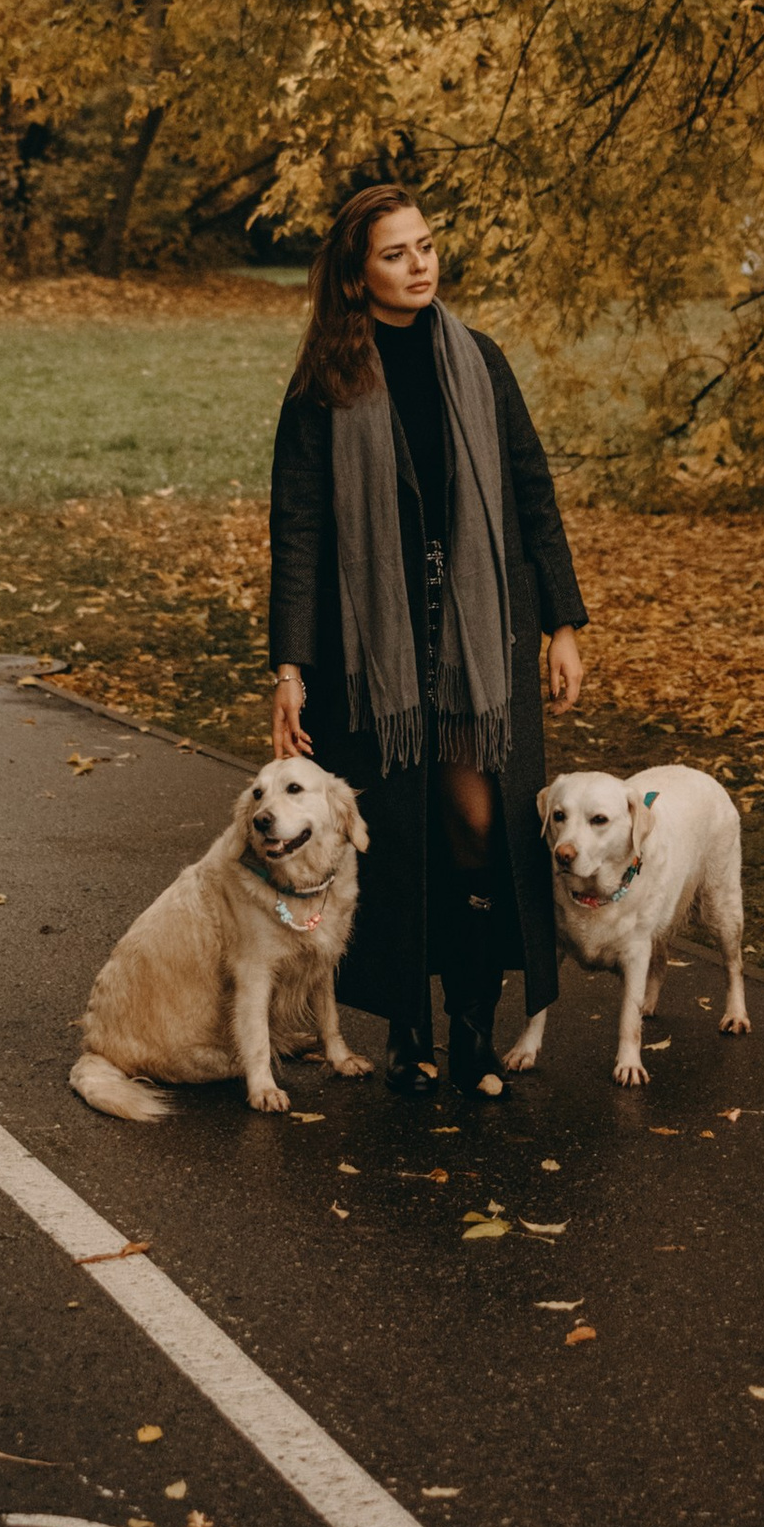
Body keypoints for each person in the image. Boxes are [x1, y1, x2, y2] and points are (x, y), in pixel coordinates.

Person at [266, 185, 587, 1097]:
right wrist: (290, 668)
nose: (420, 265)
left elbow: (531, 491)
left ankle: (475, 1023)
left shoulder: (477, 360)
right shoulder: (325, 386)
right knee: (400, 844)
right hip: (373, 661)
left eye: (427, 246)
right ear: (357, 275)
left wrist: (563, 622)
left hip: (479, 648)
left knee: (481, 831)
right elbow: (299, 533)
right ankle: (411, 1028)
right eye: (397, 254)